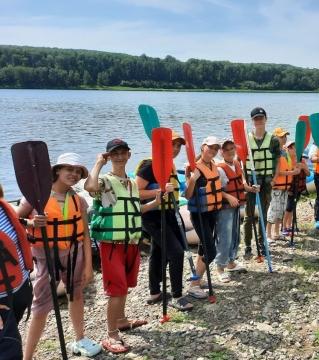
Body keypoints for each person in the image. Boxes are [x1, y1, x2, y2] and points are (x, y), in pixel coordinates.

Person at [17, 153, 102, 359]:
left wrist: (89, 265)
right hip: (46, 257)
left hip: (75, 254)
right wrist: (31, 223)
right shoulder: (35, 196)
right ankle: (27, 356)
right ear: (56, 171)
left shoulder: (79, 200)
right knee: (41, 305)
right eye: (69, 170)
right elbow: (16, 220)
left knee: (77, 295)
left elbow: (86, 233)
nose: (73, 174)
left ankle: (79, 339)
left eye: (77, 171)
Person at [85, 139, 161, 353]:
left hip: (130, 242)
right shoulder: (105, 181)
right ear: (109, 156)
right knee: (115, 290)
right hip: (111, 245)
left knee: (125, 285)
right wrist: (98, 163)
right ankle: (111, 335)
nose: (119, 156)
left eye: (122, 152)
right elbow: (90, 187)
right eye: (114, 153)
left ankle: (121, 321)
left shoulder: (132, 183)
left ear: (129, 155)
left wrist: (155, 202)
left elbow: (136, 210)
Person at [135, 132, 194, 307]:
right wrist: (158, 192)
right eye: (172, 145)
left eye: (178, 146)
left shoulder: (170, 166)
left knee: (157, 252)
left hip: (168, 214)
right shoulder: (149, 166)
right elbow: (135, 193)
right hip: (152, 215)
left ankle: (154, 292)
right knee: (176, 252)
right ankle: (177, 296)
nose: (176, 149)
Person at [185, 136, 223, 296]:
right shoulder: (194, 167)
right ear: (202, 147)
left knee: (203, 247)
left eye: (215, 148)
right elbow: (187, 195)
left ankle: (197, 279)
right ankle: (194, 285)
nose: (213, 151)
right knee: (211, 251)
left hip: (211, 212)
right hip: (199, 213)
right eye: (210, 147)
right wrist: (192, 179)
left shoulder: (213, 165)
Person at [0, 183, 33, 359]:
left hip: (19, 288)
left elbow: (13, 222)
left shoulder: (2, 206)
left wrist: (31, 223)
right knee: (10, 351)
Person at [243, 107, 281, 260]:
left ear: (266, 119)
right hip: (251, 182)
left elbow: (278, 161)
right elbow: (240, 162)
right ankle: (247, 246)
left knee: (263, 213)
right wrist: (245, 182)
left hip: (266, 182)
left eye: (261, 118)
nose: (258, 121)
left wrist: (274, 179)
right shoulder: (245, 139)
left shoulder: (273, 140)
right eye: (256, 118)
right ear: (252, 121)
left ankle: (262, 243)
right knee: (249, 215)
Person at [215, 139, 253, 283]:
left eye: (232, 148)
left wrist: (249, 188)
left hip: (237, 205)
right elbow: (217, 189)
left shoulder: (237, 163)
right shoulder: (219, 168)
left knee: (236, 235)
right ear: (221, 152)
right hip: (225, 207)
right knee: (225, 237)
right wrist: (228, 196)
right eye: (226, 149)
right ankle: (220, 268)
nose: (230, 151)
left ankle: (231, 262)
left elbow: (241, 182)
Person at [267, 133, 301, 242]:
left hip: (285, 187)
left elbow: (288, 167)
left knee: (281, 212)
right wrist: (292, 172)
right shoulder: (273, 153)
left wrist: (296, 167)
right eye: (281, 137)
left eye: (285, 136)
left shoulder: (285, 152)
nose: (284, 138)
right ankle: (268, 235)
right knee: (273, 211)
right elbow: (276, 172)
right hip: (276, 188)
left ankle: (276, 233)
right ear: (275, 138)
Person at [282, 142, 310, 235]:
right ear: (288, 149)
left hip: (299, 188)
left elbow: (308, 174)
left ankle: (289, 226)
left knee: (293, 207)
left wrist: (304, 167)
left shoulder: (301, 160)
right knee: (288, 208)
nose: (295, 150)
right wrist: (294, 170)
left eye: (296, 148)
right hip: (290, 188)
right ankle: (283, 227)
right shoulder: (286, 160)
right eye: (292, 148)